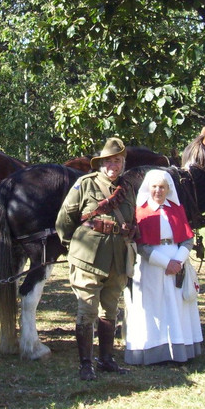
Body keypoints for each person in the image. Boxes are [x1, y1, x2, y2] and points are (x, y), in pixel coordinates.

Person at [56, 137, 136, 380]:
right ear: (101, 163)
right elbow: (64, 220)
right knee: (87, 309)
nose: (114, 165)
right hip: (88, 257)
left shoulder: (128, 188)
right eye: (110, 161)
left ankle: (107, 359)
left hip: (117, 256)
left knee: (110, 309)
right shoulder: (85, 184)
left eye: (118, 161)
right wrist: (75, 247)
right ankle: (85, 363)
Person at [124, 169, 203, 365]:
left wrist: (178, 261)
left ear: (168, 189)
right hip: (151, 268)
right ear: (148, 188)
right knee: (153, 308)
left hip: (177, 265)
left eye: (162, 187)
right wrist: (165, 263)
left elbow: (187, 239)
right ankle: (154, 352)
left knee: (176, 308)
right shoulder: (140, 211)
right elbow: (141, 245)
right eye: (154, 187)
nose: (158, 191)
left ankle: (178, 350)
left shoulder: (176, 209)